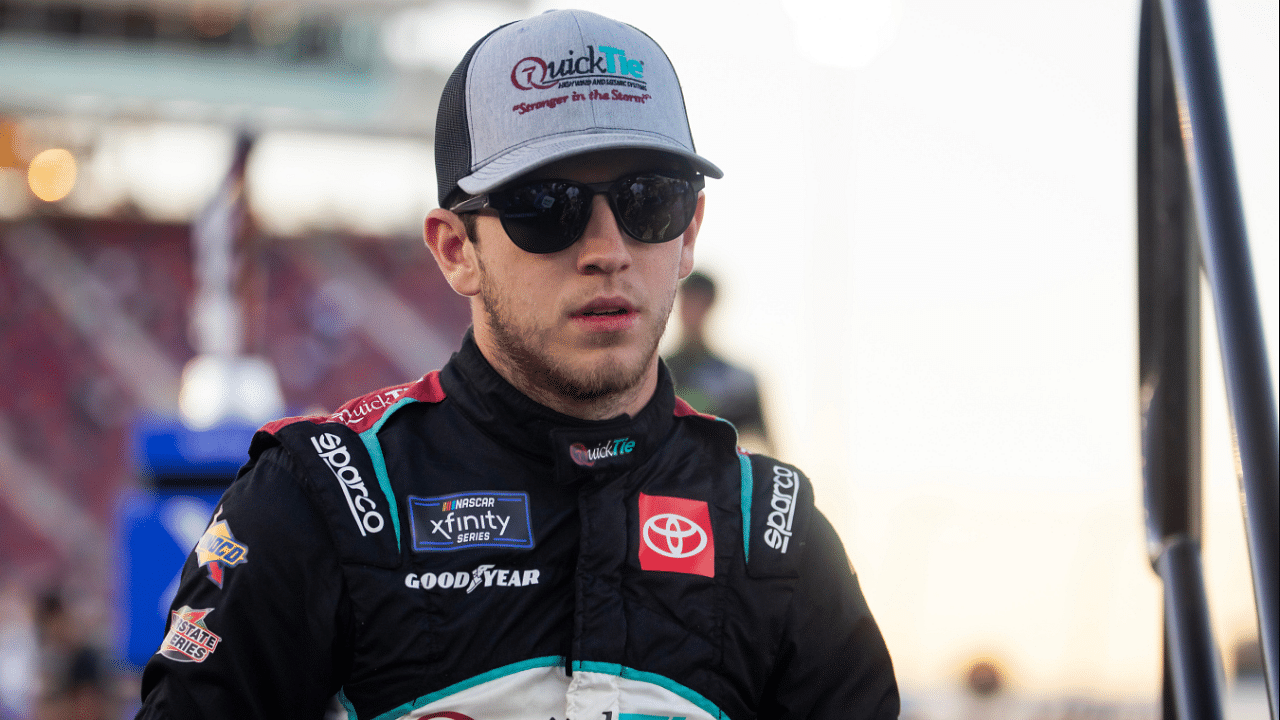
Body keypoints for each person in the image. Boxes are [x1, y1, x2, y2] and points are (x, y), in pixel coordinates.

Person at [136, 9, 898, 719]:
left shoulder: (778, 534)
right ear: (454, 249)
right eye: (547, 207)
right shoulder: (321, 496)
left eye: (651, 201)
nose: (608, 251)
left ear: (690, 232)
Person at [666, 270, 772, 453]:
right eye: (688, 300)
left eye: (700, 301)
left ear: (711, 305)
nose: (692, 309)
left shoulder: (740, 383)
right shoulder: (655, 376)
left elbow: (762, 446)